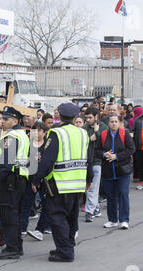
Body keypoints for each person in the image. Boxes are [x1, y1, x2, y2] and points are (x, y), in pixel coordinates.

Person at [31, 103, 93, 262]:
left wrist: (36, 179)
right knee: (71, 217)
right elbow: (89, 158)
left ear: (59, 116)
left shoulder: (56, 133)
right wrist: (89, 178)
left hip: (59, 183)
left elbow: (47, 160)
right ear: (74, 117)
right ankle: (67, 246)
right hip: (77, 183)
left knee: (57, 218)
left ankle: (65, 251)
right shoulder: (83, 133)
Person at [0, 106, 30, 260]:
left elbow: (6, 163)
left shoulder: (12, 136)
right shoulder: (22, 134)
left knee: (8, 215)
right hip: (19, 178)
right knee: (16, 214)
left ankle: (12, 248)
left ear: (15, 121)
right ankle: (17, 246)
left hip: (10, 180)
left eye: (5, 119)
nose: (2, 122)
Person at [95, 114, 135, 229]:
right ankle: (112, 219)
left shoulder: (124, 133)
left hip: (122, 170)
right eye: (111, 121)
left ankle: (124, 219)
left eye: (116, 121)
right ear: (108, 123)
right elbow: (97, 150)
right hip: (108, 171)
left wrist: (116, 156)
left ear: (119, 123)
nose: (113, 123)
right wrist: (104, 154)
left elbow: (131, 149)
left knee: (123, 194)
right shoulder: (102, 135)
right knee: (111, 196)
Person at [24, 122, 51, 241]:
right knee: (26, 204)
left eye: (39, 130)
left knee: (46, 205)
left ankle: (41, 228)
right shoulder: (29, 145)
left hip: (44, 179)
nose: (36, 133)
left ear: (45, 132)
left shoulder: (48, 145)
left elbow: (49, 163)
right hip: (30, 178)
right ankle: (22, 228)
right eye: (34, 130)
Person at [83, 107, 108, 222]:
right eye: (86, 117)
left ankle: (89, 211)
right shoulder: (84, 128)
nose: (88, 120)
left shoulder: (103, 128)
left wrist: (97, 133)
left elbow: (106, 143)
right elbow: (82, 142)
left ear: (96, 117)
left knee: (92, 187)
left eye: (90, 117)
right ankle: (95, 207)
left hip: (97, 161)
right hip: (85, 160)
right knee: (88, 187)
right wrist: (90, 138)